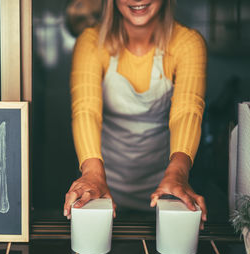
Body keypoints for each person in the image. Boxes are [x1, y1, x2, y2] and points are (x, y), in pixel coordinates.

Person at [63, 0, 208, 228]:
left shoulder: (188, 43)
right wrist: (91, 172)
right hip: (101, 186)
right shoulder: (91, 42)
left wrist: (178, 173)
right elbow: (86, 110)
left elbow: (187, 111)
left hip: (167, 186)